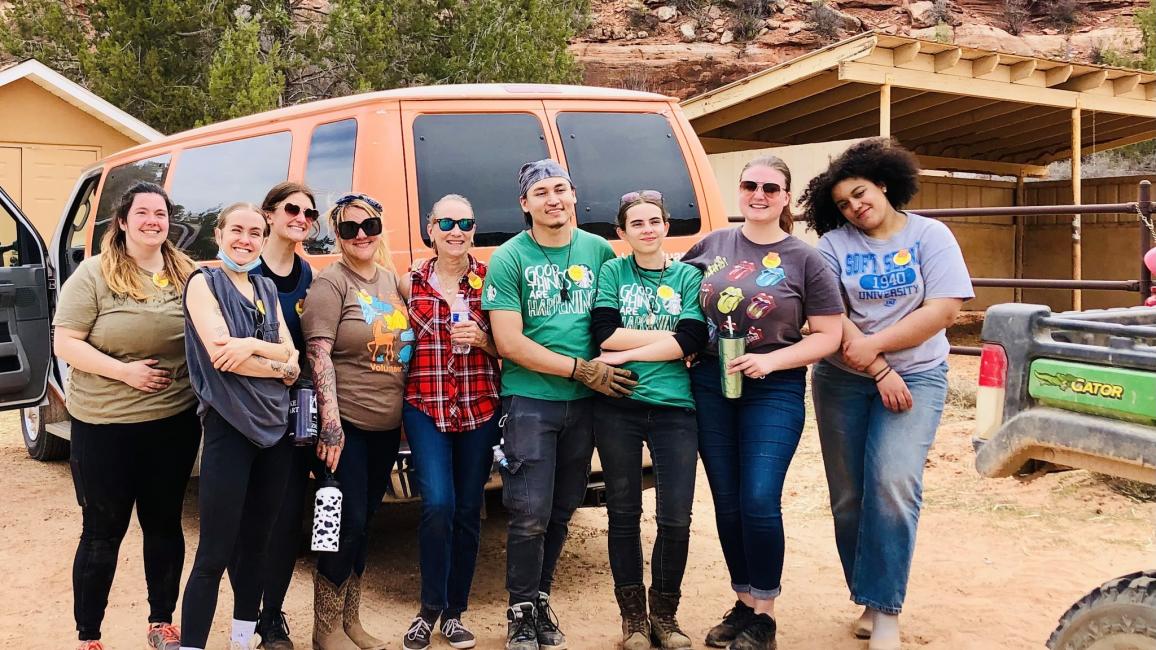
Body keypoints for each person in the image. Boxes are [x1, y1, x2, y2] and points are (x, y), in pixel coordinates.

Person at [801, 138, 973, 650]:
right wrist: (877, 369)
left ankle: (886, 612)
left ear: (881, 183)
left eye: (860, 193)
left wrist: (876, 349)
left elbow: (943, 310)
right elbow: (831, 318)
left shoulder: (930, 235)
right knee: (849, 496)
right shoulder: (833, 247)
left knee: (894, 482)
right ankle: (869, 599)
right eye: (843, 204)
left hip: (917, 374)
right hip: (843, 379)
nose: (855, 207)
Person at [682, 155, 844, 650]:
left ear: (785, 197)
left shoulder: (805, 259)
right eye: (750, 185)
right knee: (727, 500)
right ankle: (743, 602)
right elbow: (674, 299)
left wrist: (771, 362)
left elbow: (830, 335)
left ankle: (765, 616)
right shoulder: (711, 245)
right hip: (710, 380)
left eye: (770, 188)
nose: (759, 194)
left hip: (774, 386)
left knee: (758, 497)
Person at [481, 159, 636, 650]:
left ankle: (540, 600)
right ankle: (520, 611)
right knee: (529, 512)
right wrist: (579, 369)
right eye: (541, 192)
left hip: (586, 406)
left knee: (563, 509)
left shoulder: (598, 250)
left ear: (573, 195)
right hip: (530, 401)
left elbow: (618, 320)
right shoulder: (509, 258)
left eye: (560, 189)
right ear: (525, 204)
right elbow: (509, 342)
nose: (553, 199)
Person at [53, 182, 199, 650]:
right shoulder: (94, 273)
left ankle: (161, 622)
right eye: (142, 213)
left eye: (161, 214)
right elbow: (65, 343)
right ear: (122, 221)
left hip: (171, 421)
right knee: (102, 531)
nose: (153, 221)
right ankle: (89, 635)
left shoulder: (187, 273)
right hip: (105, 425)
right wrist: (125, 372)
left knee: (164, 524)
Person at [589, 191, 707, 650]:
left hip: (675, 407)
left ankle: (665, 615)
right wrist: (669, 339)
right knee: (623, 514)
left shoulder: (688, 276)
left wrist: (628, 352)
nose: (647, 229)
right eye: (636, 223)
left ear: (666, 226)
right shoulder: (612, 272)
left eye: (654, 221)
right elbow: (604, 333)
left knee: (676, 517)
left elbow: (692, 337)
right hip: (619, 404)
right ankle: (634, 620)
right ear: (622, 232)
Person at [180, 202, 301, 650]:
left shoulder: (265, 287)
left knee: (256, 546)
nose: (244, 240)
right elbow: (221, 357)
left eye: (254, 233)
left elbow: (294, 360)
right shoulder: (202, 283)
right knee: (215, 551)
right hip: (229, 428)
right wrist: (279, 362)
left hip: (275, 431)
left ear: (264, 239)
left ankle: (241, 640)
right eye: (236, 230)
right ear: (219, 234)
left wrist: (251, 344)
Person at [302, 193, 413, 650]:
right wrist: (330, 424)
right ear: (337, 235)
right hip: (345, 426)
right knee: (340, 523)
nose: (361, 235)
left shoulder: (390, 280)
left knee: (364, 522)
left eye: (369, 225)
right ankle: (325, 628)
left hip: (385, 428)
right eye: (349, 228)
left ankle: (351, 620)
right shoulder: (331, 284)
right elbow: (317, 354)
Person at [401, 194, 501, 650]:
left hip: (479, 406)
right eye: (446, 223)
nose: (455, 231)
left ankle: (454, 613)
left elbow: (510, 344)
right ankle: (428, 610)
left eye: (465, 222)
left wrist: (483, 338)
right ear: (431, 228)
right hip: (425, 405)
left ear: (474, 228)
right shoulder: (409, 281)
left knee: (467, 509)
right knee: (438, 504)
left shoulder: (492, 280)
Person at [244, 182, 318, 650]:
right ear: (269, 214)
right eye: (292, 209)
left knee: (288, 517)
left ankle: (271, 616)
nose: (301, 218)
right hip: (249, 413)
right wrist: (281, 366)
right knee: (251, 516)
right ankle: (245, 613)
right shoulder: (245, 271)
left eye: (309, 213)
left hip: (296, 412)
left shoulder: (308, 274)